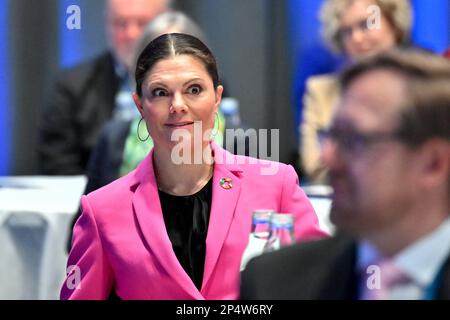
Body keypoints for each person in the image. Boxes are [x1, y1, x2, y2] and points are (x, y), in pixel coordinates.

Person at [60, 33, 326, 300]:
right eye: (160, 93)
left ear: (217, 98)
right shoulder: (102, 210)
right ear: (140, 105)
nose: (178, 105)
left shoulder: (275, 185)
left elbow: (320, 283)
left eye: (194, 89)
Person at [241, 49, 450, 300]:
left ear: (433, 164)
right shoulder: (272, 283)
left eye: (353, 140)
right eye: (331, 136)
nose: (327, 158)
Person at [37, 0, 171, 175]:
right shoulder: (72, 87)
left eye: (142, 23)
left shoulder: (200, 85)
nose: (131, 33)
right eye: (120, 24)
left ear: (166, 23)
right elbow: (57, 166)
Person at [299, 0, 413, 183]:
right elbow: (315, 167)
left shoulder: (422, 88)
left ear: (394, 25)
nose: (357, 38)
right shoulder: (321, 90)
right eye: (346, 32)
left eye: (366, 25)